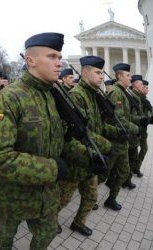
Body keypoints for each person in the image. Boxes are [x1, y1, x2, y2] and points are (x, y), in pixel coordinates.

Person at [0, 32, 68, 250]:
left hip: (46, 196)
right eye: (52, 57)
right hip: (13, 197)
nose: (59, 63)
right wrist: (52, 169)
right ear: (31, 60)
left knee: (47, 234)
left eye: (59, 57)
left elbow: (61, 137)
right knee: (6, 235)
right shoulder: (9, 99)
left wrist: (85, 156)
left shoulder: (52, 96)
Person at [58, 56, 112, 236]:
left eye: (102, 73)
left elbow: (96, 125)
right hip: (77, 160)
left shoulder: (93, 95)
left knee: (91, 196)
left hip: (92, 158)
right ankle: (50, 222)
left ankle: (78, 223)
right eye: (97, 73)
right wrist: (100, 149)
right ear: (85, 73)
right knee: (62, 200)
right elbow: (74, 134)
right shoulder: (77, 96)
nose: (101, 77)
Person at [103, 63, 140, 208]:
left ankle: (111, 198)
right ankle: (89, 194)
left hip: (122, 141)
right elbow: (117, 119)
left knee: (124, 171)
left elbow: (126, 116)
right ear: (119, 76)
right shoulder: (116, 93)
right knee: (103, 174)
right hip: (115, 141)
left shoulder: (123, 92)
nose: (130, 78)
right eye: (127, 75)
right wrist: (135, 128)